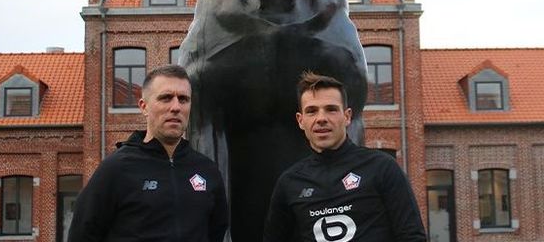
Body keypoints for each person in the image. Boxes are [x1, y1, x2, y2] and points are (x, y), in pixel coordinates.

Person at [68, 65, 228, 242]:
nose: (176, 107)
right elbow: (82, 234)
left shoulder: (207, 170)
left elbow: (216, 232)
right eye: (166, 98)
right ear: (144, 106)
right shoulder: (116, 169)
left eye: (183, 99)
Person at [264, 71, 426, 242]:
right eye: (311, 111)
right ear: (300, 120)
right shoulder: (289, 183)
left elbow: (412, 236)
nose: (321, 118)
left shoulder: (382, 168)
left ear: (347, 116)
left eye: (331, 110)